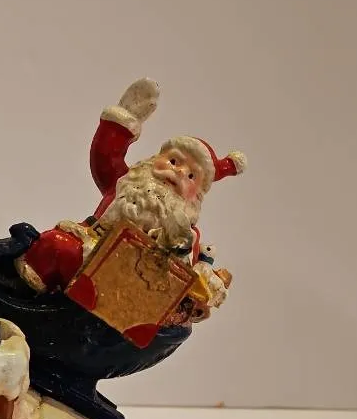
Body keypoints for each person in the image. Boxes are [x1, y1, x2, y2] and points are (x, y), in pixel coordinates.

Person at [15, 79, 245, 321]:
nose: (178, 173)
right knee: (57, 246)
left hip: (138, 294)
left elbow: (191, 274)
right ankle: (25, 300)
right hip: (90, 253)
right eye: (173, 161)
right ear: (155, 160)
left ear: (196, 194)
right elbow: (105, 156)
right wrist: (125, 119)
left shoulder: (188, 234)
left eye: (191, 176)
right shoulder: (125, 184)